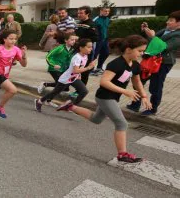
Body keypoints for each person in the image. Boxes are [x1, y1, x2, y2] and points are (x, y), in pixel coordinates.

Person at [57, 35, 149, 163]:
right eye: (140, 51)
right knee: (121, 123)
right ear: (128, 49)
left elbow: (137, 81)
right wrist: (125, 91)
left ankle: (70, 106)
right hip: (105, 97)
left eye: (143, 51)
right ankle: (122, 154)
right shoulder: (116, 64)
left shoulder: (135, 65)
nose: (142, 53)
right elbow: (104, 82)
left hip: (113, 97)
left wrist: (144, 96)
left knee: (96, 119)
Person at [128, 11, 180, 116]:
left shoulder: (178, 36)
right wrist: (146, 31)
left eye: (171, 21)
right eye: (168, 20)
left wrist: (153, 36)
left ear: (179, 23)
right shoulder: (165, 30)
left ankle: (152, 109)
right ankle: (135, 104)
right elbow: (152, 42)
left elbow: (164, 47)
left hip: (163, 63)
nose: (167, 22)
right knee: (139, 81)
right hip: (150, 60)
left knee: (155, 87)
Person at [34, 38, 95, 112]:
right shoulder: (77, 57)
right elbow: (75, 70)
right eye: (88, 47)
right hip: (66, 78)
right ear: (81, 48)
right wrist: (88, 68)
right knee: (54, 92)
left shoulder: (85, 56)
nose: (91, 49)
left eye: (91, 47)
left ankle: (70, 106)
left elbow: (80, 68)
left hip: (74, 78)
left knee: (84, 91)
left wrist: (79, 75)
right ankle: (39, 101)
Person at [37, 33, 78, 100]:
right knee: (61, 85)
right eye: (72, 40)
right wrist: (53, 65)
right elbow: (48, 56)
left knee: (66, 87)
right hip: (54, 69)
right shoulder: (60, 48)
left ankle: (45, 85)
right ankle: (48, 100)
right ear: (66, 40)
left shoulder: (72, 49)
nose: (74, 41)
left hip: (63, 70)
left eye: (74, 40)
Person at [75, 6, 98, 85]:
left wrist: (81, 38)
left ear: (87, 13)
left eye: (81, 13)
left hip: (86, 51)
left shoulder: (92, 24)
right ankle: (76, 87)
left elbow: (96, 38)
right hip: (77, 50)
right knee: (76, 68)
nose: (79, 15)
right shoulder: (79, 23)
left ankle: (81, 89)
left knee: (84, 71)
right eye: (78, 13)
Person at [91, 7, 111, 76]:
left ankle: (99, 67)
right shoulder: (96, 19)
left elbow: (106, 29)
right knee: (94, 54)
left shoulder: (108, 19)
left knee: (106, 53)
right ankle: (90, 69)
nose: (107, 12)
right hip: (97, 40)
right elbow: (92, 29)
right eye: (105, 11)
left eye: (108, 11)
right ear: (101, 11)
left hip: (105, 40)